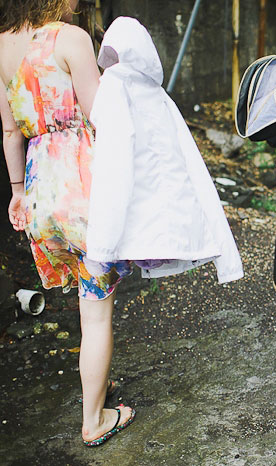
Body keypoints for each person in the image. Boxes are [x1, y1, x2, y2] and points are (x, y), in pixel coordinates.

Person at [0, 0, 134, 446]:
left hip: (40, 193)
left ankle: (99, 385)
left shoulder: (0, 47)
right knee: (95, 312)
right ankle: (94, 420)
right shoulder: (70, 38)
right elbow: (103, 116)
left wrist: (17, 191)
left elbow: (9, 131)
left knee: (84, 302)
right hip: (84, 190)